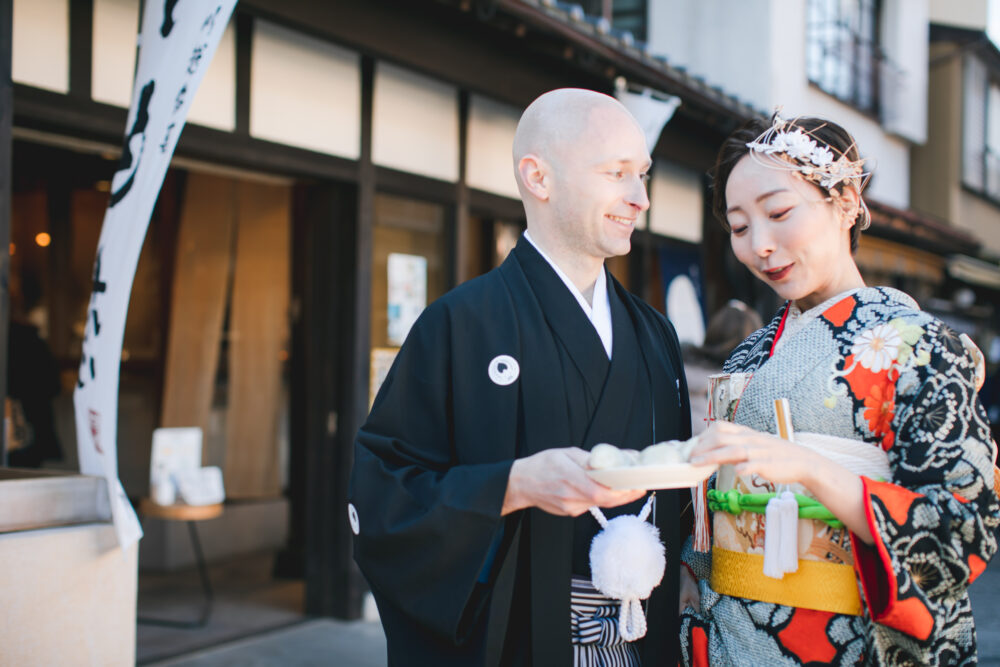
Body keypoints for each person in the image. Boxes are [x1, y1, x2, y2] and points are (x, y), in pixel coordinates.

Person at [349, 88, 691, 666]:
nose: (641, 198)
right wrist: (513, 485)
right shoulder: (460, 323)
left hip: (642, 641)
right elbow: (383, 492)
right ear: (539, 177)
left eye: (644, 176)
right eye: (618, 174)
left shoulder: (652, 332)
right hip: (517, 642)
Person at [677, 113, 1000, 665]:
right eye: (738, 227)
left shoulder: (920, 347)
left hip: (845, 642)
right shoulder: (749, 354)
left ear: (847, 200)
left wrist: (809, 468)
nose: (760, 245)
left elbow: (963, 531)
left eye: (779, 213)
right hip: (730, 636)